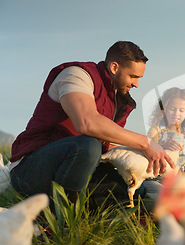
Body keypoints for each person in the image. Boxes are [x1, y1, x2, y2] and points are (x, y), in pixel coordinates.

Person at [9, 41, 174, 203]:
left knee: (135, 191)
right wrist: (145, 142)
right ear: (114, 67)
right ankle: (62, 220)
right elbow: (86, 122)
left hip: (77, 170)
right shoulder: (76, 75)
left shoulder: (118, 100)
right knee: (87, 146)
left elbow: (107, 145)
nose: (136, 84)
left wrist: (154, 158)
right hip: (30, 171)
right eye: (133, 76)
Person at [142, 87, 185, 199]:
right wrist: (161, 148)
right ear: (164, 109)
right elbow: (147, 151)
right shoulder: (156, 130)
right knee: (157, 193)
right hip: (158, 178)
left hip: (180, 180)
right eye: (172, 109)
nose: (176, 114)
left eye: (181, 110)